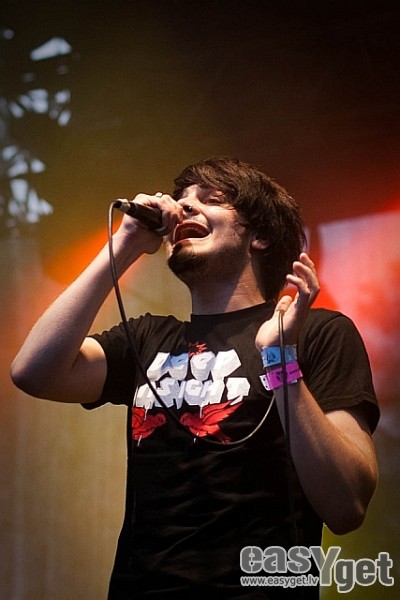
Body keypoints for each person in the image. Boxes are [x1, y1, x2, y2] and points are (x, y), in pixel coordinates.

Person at [11, 156, 379, 599]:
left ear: (259, 235)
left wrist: (280, 359)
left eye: (211, 199)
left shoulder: (315, 333)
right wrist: (125, 243)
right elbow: (34, 372)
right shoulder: (147, 338)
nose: (184, 206)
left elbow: (346, 506)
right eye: (182, 198)